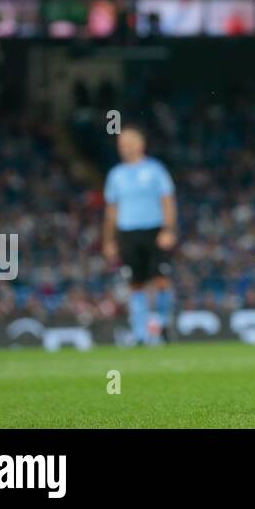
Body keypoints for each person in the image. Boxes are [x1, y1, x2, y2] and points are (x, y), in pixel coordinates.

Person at [102, 125, 178, 345]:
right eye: (121, 144)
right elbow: (111, 210)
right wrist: (109, 240)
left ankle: (163, 325)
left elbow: (168, 201)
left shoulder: (156, 170)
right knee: (135, 282)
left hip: (154, 231)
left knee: (161, 280)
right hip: (127, 232)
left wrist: (169, 229)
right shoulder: (116, 175)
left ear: (140, 144)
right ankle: (140, 332)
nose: (124, 148)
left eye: (128, 143)